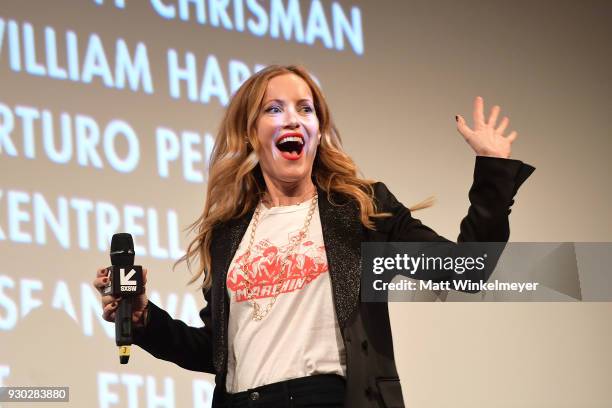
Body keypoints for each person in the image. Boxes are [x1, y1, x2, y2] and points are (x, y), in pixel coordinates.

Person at [93, 65, 535, 408]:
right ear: (252, 134)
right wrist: (144, 316)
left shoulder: (362, 210)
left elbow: (467, 270)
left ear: (318, 131)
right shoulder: (228, 235)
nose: (293, 118)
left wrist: (493, 173)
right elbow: (215, 351)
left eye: (305, 109)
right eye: (274, 109)